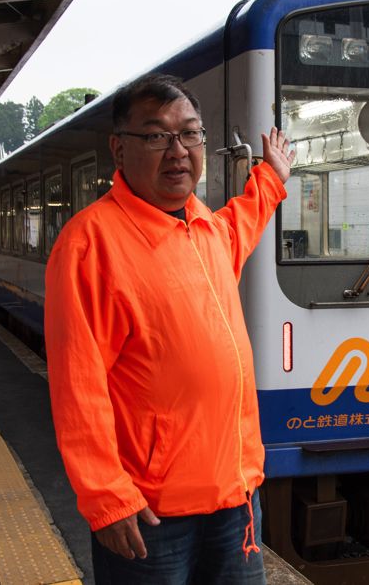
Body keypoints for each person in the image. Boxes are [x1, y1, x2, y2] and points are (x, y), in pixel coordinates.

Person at [44, 73, 294, 584]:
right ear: (119, 149)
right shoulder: (90, 243)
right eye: (156, 135)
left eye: (190, 133)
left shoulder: (205, 229)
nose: (178, 150)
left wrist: (272, 176)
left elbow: (243, 220)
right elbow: (78, 385)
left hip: (235, 498)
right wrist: (106, 497)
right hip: (151, 514)